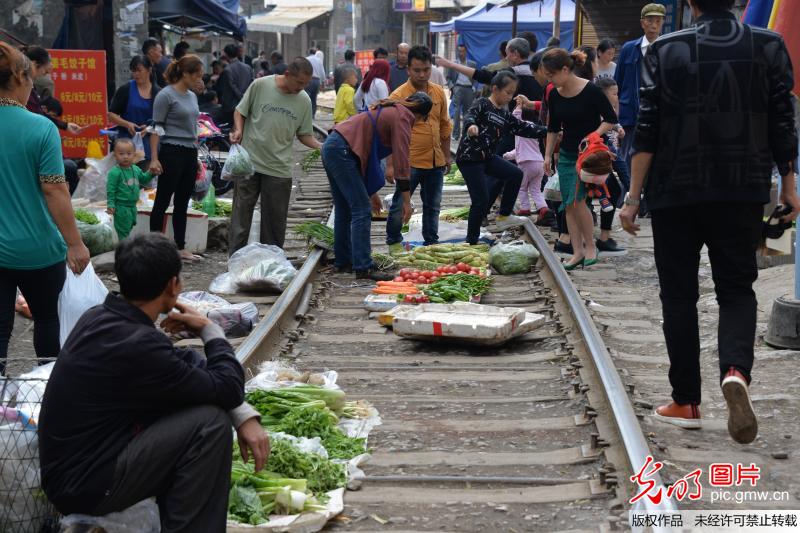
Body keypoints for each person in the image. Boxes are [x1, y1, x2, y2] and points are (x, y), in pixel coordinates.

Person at [618, 0, 800, 444]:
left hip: (674, 191)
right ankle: (736, 371)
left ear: (692, 4)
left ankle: (685, 400)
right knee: (737, 288)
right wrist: (790, 186)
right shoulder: (770, 45)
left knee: (678, 295)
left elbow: (647, 128)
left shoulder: (663, 49)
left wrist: (632, 197)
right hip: (743, 189)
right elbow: (783, 121)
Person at [38, 233, 269, 531]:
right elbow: (226, 386)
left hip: (76, 472)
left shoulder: (102, 318)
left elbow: (188, 369)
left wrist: (242, 413)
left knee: (196, 406)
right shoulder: (138, 344)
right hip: (87, 484)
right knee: (208, 424)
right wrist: (210, 329)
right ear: (173, 285)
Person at [0, 42, 90, 375]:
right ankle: (46, 388)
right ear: (22, 77)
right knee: (48, 319)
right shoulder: (41, 128)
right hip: (37, 248)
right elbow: (54, 189)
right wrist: (75, 243)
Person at [322, 94, 432, 280]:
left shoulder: (391, 109)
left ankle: (344, 261)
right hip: (343, 151)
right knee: (362, 210)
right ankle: (363, 266)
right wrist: (406, 201)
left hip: (333, 147)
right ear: (422, 116)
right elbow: (402, 162)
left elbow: (365, 154)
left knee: (344, 209)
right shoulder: (404, 116)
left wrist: (372, 192)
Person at [229, 57, 322, 253]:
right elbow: (240, 111)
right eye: (299, 83)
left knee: (274, 223)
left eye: (305, 84)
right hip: (249, 163)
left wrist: (322, 147)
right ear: (287, 74)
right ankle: (235, 261)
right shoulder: (261, 85)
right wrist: (238, 130)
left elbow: (304, 134)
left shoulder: (303, 100)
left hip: (279, 169)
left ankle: (270, 263)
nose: (301, 88)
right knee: (240, 217)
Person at [542, 49, 618, 270]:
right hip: (566, 155)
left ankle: (589, 247)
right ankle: (578, 251)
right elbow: (553, 127)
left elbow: (611, 119)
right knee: (569, 205)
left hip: (588, 156)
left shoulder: (591, 90)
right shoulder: (554, 94)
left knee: (577, 201)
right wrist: (547, 155)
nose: (549, 80)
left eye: (551, 75)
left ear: (565, 70)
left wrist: (595, 134)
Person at [456, 71, 547, 244]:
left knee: (515, 174)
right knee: (481, 200)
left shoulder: (505, 114)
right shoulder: (482, 103)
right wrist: (471, 125)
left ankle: (504, 216)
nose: (510, 97)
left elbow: (524, 128)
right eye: (507, 92)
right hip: (470, 158)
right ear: (495, 89)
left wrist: (550, 130)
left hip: (487, 158)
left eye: (512, 93)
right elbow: (470, 115)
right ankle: (472, 240)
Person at [385, 46, 453, 252]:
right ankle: (393, 241)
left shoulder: (438, 92)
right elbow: (389, 133)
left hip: (435, 160)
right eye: (417, 70)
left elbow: (444, 126)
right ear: (408, 70)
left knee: (433, 205)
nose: (422, 75)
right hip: (410, 161)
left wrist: (447, 155)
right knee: (399, 203)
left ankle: (431, 241)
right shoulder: (398, 96)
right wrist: (390, 165)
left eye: (426, 69)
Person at [148, 55, 204, 262]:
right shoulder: (166, 95)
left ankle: (180, 247)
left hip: (189, 151)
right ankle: (155, 247)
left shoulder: (192, 96)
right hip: (171, 151)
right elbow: (156, 128)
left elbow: (193, 126)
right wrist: (154, 158)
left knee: (182, 201)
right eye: (197, 75)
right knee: (162, 200)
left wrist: (195, 154)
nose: (199, 79)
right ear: (186, 74)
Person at [614, 3, 665, 198]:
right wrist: (615, 113)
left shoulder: (665, 47)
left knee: (655, 157)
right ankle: (628, 199)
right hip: (630, 113)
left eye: (658, 21)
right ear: (642, 23)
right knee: (628, 157)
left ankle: (650, 199)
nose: (654, 24)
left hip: (657, 113)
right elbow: (617, 82)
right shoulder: (629, 48)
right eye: (650, 20)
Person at [593, 77, 627, 255]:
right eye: (614, 94)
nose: (617, 97)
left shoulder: (599, 109)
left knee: (611, 191)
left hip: (599, 157)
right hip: (593, 158)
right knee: (611, 190)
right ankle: (602, 239)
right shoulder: (596, 110)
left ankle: (603, 238)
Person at [109, 55, 160, 166]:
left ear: (149, 70)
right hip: (125, 145)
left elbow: (163, 121)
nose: (136, 74)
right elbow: (111, 115)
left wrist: (149, 128)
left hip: (149, 144)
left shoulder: (158, 93)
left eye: (139, 71)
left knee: (145, 179)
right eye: (133, 71)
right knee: (125, 179)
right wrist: (127, 124)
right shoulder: (125, 89)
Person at [106, 138, 154, 240]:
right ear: (115, 154)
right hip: (121, 207)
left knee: (128, 229)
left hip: (132, 207)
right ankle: (124, 253)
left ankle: (124, 250)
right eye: (121, 154)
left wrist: (152, 172)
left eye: (129, 153)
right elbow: (111, 190)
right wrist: (111, 204)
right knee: (123, 233)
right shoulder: (114, 172)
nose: (125, 157)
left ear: (134, 154)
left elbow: (144, 179)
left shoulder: (135, 169)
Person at [503, 104, 545, 217]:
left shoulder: (521, 129)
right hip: (539, 163)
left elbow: (518, 151)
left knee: (522, 187)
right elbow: (520, 149)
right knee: (536, 189)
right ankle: (543, 208)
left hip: (526, 163)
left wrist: (518, 106)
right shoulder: (534, 128)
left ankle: (525, 208)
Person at [217, 43, 254, 126]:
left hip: (231, 107)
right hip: (245, 105)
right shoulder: (248, 67)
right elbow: (252, 84)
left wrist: (241, 97)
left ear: (226, 54)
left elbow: (232, 87)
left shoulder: (227, 70)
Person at [446, 44, 476, 140]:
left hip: (469, 89)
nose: (461, 53)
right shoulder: (453, 64)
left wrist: (474, 87)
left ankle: (465, 135)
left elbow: (476, 76)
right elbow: (448, 78)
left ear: (466, 52)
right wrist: (452, 87)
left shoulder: (472, 64)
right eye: (459, 51)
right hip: (458, 88)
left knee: (468, 113)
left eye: (463, 51)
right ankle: (455, 135)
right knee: (456, 112)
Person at [305, 48, 326, 116]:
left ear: (309, 52)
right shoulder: (319, 60)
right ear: (315, 53)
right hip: (317, 81)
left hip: (308, 80)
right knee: (314, 99)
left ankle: (307, 115)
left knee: (307, 98)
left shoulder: (306, 59)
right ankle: (313, 115)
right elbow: (322, 72)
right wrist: (323, 84)